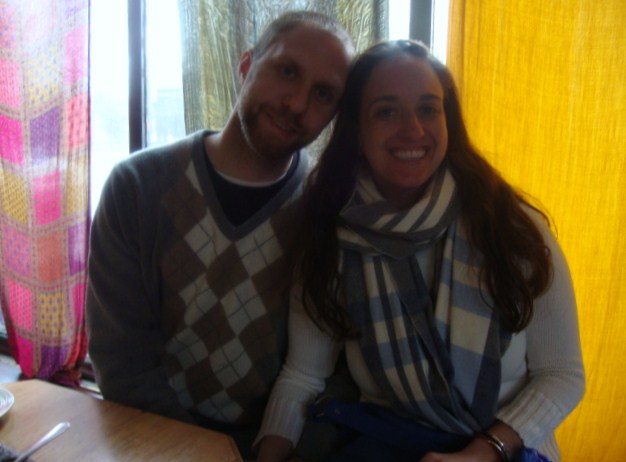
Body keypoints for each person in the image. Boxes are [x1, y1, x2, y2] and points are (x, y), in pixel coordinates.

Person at [254, 40, 585, 462]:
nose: (412, 129)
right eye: (386, 112)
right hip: (387, 447)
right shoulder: (329, 237)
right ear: (357, 130)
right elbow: (303, 375)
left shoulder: (512, 228)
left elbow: (562, 375)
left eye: (428, 109)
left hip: (509, 450)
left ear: (449, 121)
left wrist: (483, 451)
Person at [85, 10, 355, 459]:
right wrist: (197, 452)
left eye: (323, 94)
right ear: (245, 65)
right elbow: (122, 361)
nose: (296, 104)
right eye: (287, 71)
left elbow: (330, 373)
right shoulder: (137, 187)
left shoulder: (327, 214)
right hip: (153, 439)